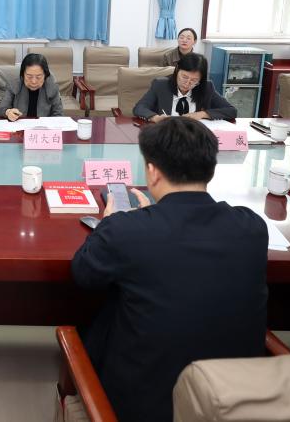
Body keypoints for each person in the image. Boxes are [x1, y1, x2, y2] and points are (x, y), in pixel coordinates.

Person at [71, 117, 269, 422]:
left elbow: (83, 274)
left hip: (144, 408)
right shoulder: (252, 227)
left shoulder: (126, 230)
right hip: (232, 402)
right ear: (211, 169)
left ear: (152, 171)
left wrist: (114, 222)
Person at [133, 52, 236, 121]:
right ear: (177, 69)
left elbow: (231, 111)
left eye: (194, 80)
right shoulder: (160, 85)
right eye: (184, 77)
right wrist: (155, 118)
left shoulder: (206, 87)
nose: (187, 83)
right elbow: (139, 108)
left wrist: (202, 114)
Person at [0, 53, 63, 121]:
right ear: (23, 74)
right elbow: (1, 110)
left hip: (43, 126)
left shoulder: (52, 86)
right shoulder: (14, 84)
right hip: (19, 126)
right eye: (29, 76)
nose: (34, 81)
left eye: (38, 77)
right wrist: (8, 112)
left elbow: (58, 114)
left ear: (45, 75)